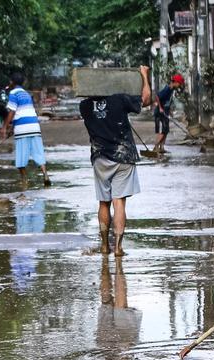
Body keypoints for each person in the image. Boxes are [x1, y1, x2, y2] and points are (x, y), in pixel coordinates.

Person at [79, 65, 153, 256]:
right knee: (118, 201)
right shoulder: (120, 100)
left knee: (104, 202)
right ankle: (118, 247)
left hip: (100, 158)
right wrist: (144, 76)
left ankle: (104, 246)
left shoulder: (84, 106)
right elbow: (146, 99)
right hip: (123, 156)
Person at [0, 72, 52, 189]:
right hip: (34, 125)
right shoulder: (26, 94)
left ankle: (24, 180)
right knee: (38, 153)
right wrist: (12, 129)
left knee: (21, 156)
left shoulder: (13, 93)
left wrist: (4, 128)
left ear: (12, 82)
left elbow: (12, 112)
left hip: (22, 128)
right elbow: (22, 111)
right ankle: (45, 175)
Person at [153, 73, 183, 154]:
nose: (179, 85)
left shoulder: (172, 90)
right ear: (175, 82)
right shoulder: (167, 89)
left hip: (165, 112)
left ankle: (162, 148)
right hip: (160, 112)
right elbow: (157, 97)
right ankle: (156, 147)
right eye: (179, 83)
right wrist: (160, 108)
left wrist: (169, 111)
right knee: (163, 130)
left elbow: (167, 102)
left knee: (166, 130)